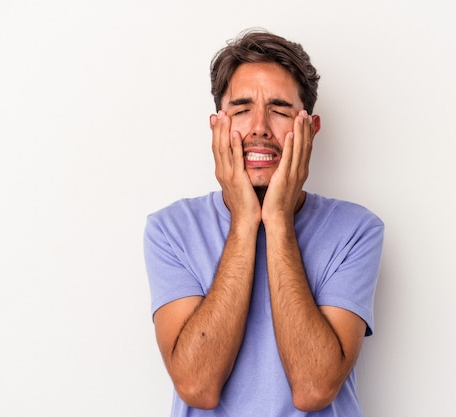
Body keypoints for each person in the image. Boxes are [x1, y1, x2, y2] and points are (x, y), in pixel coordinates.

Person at [144, 29, 384, 417]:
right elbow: (197, 387)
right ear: (217, 125)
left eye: (279, 109)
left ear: (311, 129)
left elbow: (313, 389)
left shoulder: (356, 230)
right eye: (241, 109)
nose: (259, 127)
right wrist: (243, 222)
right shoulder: (170, 229)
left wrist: (278, 220)